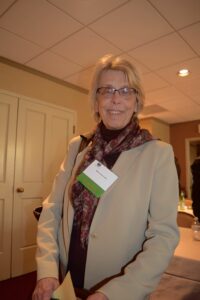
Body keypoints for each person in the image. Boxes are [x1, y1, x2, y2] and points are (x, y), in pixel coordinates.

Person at [32, 54, 179, 300]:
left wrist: (115, 293)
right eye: (107, 90)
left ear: (137, 100)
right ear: (96, 99)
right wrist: (47, 269)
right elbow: (52, 209)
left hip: (117, 286)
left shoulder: (158, 154)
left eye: (125, 90)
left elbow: (163, 237)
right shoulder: (78, 147)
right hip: (67, 280)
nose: (115, 100)